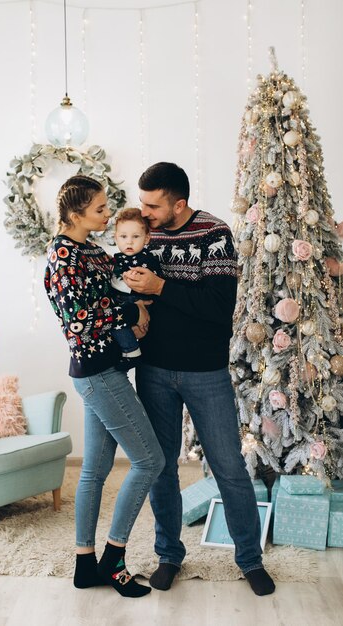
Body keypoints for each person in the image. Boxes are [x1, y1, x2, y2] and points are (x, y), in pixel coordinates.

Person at [124, 162, 275, 597]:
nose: (144, 212)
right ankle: (169, 554)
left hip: (206, 372)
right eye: (142, 203)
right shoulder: (144, 234)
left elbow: (217, 308)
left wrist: (160, 288)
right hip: (153, 372)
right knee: (161, 468)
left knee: (229, 467)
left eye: (152, 205)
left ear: (179, 203)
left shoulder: (214, 234)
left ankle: (249, 559)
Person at [44, 175, 165, 598]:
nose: (108, 214)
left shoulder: (93, 251)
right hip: (97, 373)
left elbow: (109, 295)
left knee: (93, 472)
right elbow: (79, 321)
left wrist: (133, 301)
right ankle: (113, 561)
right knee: (151, 461)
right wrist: (131, 314)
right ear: (75, 215)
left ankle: (84, 565)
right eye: (99, 210)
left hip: (105, 370)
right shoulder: (63, 257)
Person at [111, 207, 161, 371]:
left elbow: (153, 285)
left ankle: (132, 353)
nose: (129, 242)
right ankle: (128, 349)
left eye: (136, 236)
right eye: (123, 236)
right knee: (116, 321)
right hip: (120, 302)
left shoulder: (148, 260)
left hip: (140, 302)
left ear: (146, 238)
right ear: (115, 237)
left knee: (121, 320)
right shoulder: (115, 260)